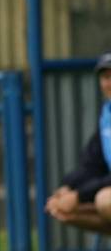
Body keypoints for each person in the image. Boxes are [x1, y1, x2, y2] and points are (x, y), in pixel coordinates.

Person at [45, 52, 111, 233]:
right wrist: (67, 187)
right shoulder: (107, 114)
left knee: (105, 201)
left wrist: (80, 196)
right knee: (62, 209)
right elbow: (91, 163)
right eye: (106, 77)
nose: (109, 83)